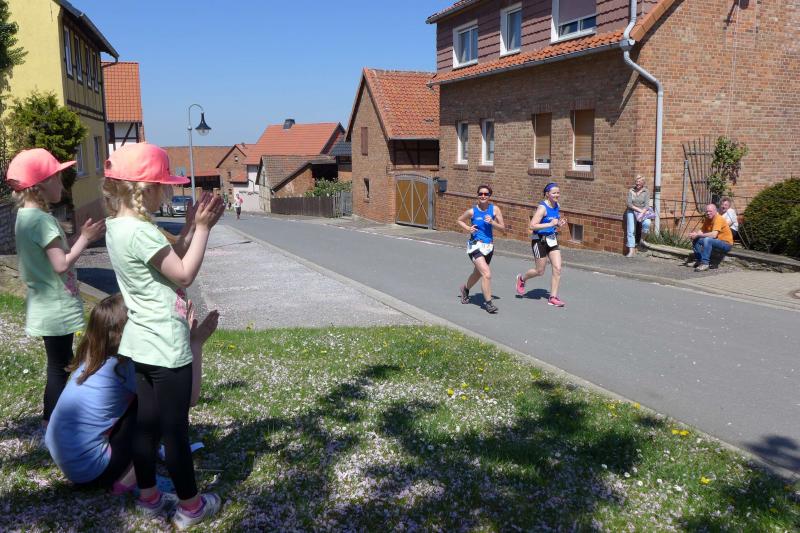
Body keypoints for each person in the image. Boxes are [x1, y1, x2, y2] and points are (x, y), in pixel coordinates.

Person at [102, 142, 225, 528]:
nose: (167, 194)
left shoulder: (118, 226)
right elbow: (184, 273)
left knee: (148, 426)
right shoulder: (141, 232)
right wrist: (203, 229)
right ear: (146, 189)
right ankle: (191, 507)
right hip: (167, 346)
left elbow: (168, 262)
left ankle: (149, 497)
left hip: (141, 342)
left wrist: (188, 229)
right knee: (174, 432)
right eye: (164, 187)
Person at [45, 294, 218, 497]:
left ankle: (141, 460)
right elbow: (187, 398)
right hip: (93, 471)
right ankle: (126, 482)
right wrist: (194, 344)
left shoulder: (92, 359)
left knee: (142, 400)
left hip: (70, 463)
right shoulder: (125, 366)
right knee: (158, 407)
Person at [3, 148, 105, 428]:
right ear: (40, 185)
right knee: (60, 366)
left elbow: (53, 254)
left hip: (44, 305)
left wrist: (76, 237)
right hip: (56, 306)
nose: (62, 183)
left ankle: (55, 418)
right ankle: (53, 423)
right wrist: (85, 239)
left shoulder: (24, 218)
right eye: (57, 178)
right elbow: (61, 264)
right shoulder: (42, 221)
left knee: (60, 363)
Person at [515, 182, 567, 307]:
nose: (557, 195)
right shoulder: (542, 208)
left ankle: (553, 297)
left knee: (557, 268)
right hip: (539, 241)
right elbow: (532, 226)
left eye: (558, 193)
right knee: (540, 271)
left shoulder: (557, 205)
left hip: (552, 239)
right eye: (554, 193)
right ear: (547, 194)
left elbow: (553, 222)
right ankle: (522, 279)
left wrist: (558, 224)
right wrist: (550, 224)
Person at [457, 184, 505, 314]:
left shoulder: (495, 209)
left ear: (489, 196)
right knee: (486, 274)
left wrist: (493, 222)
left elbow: (503, 228)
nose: (483, 196)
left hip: (488, 247)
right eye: (480, 194)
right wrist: (468, 228)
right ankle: (488, 303)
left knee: (478, 273)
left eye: (486, 194)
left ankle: (465, 289)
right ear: (477, 195)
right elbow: (459, 220)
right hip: (475, 246)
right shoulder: (472, 211)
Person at [688, 203, 734, 271]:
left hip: (726, 244)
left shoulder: (718, 219)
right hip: (716, 241)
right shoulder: (708, 219)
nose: (708, 213)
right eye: (707, 211)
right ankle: (699, 261)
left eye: (710, 211)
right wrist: (694, 235)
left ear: (715, 211)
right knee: (696, 239)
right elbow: (701, 231)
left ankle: (705, 263)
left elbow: (713, 235)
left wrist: (698, 235)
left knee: (707, 239)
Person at [624, 175, 652, 257]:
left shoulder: (646, 191)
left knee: (647, 223)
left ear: (643, 183)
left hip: (643, 211)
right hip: (632, 211)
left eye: (639, 182)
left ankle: (642, 240)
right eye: (636, 181)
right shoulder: (631, 191)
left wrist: (642, 212)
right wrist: (639, 210)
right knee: (631, 230)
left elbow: (647, 205)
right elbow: (629, 204)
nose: (637, 183)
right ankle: (631, 251)